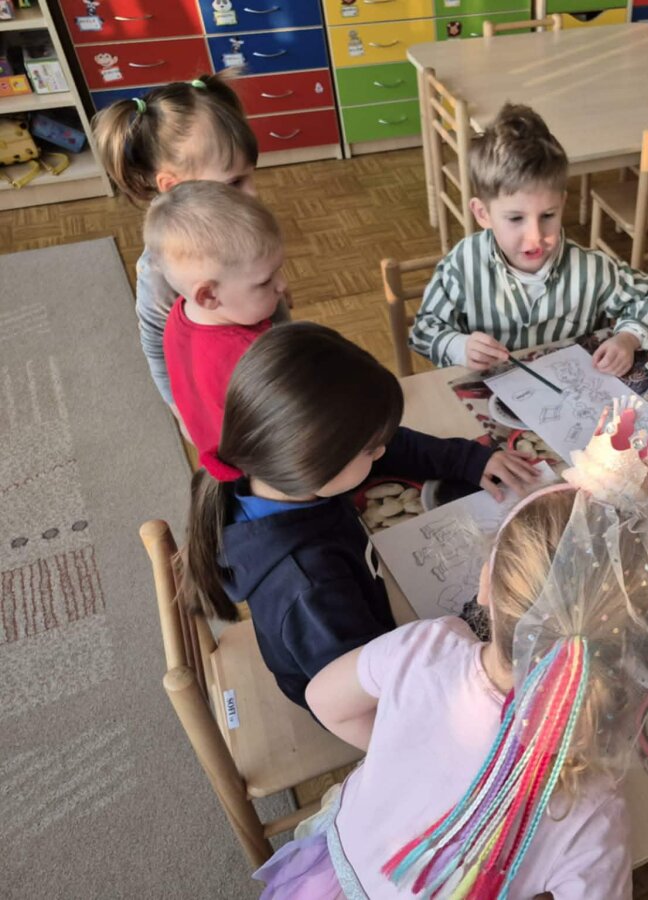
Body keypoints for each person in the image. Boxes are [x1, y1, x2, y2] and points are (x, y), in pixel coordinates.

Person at [252, 399, 648, 898]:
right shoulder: (592, 804)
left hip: (339, 874)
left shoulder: (425, 647)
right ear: (632, 641)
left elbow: (324, 699)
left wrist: (399, 748)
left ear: (485, 583)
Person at [178, 323, 540, 711]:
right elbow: (370, 701)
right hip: (363, 693)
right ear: (317, 465)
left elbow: (390, 445)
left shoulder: (272, 466)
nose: (381, 452)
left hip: (367, 625)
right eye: (370, 450)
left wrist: (470, 459)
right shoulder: (310, 588)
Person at [409, 103, 648, 377]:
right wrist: (458, 346)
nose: (535, 236)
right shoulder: (463, 263)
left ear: (562, 204)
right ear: (483, 213)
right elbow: (423, 331)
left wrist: (627, 338)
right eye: (516, 218)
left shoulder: (591, 269)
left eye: (548, 215)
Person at [92, 73, 288, 424]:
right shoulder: (159, 271)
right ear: (174, 185)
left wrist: (274, 289)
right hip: (230, 395)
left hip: (275, 366)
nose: (253, 193)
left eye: (250, 174)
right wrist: (179, 410)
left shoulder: (241, 220)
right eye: (235, 182)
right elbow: (155, 345)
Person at [143, 180, 285, 453]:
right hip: (254, 459)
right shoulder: (249, 354)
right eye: (265, 281)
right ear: (208, 296)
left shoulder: (180, 313)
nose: (282, 285)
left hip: (210, 440)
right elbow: (288, 424)